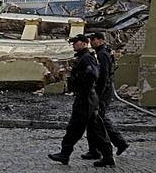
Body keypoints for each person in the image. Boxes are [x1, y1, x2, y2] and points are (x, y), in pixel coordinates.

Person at [48, 34, 115, 167]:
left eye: (76, 43)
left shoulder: (87, 58)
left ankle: (65, 154)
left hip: (86, 98)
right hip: (87, 97)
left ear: (84, 44)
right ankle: (105, 156)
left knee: (79, 127)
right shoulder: (83, 57)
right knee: (91, 128)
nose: (73, 45)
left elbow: (93, 74)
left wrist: (80, 81)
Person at [81, 32, 129, 160]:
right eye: (91, 40)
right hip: (103, 89)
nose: (92, 42)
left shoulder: (102, 54)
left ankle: (106, 148)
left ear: (101, 40)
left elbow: (104, 75)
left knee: (97, 119)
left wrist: (98, 92)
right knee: (97, 119)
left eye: (94, 40)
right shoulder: (102, 53)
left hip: (103, 90)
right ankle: (98, 149)